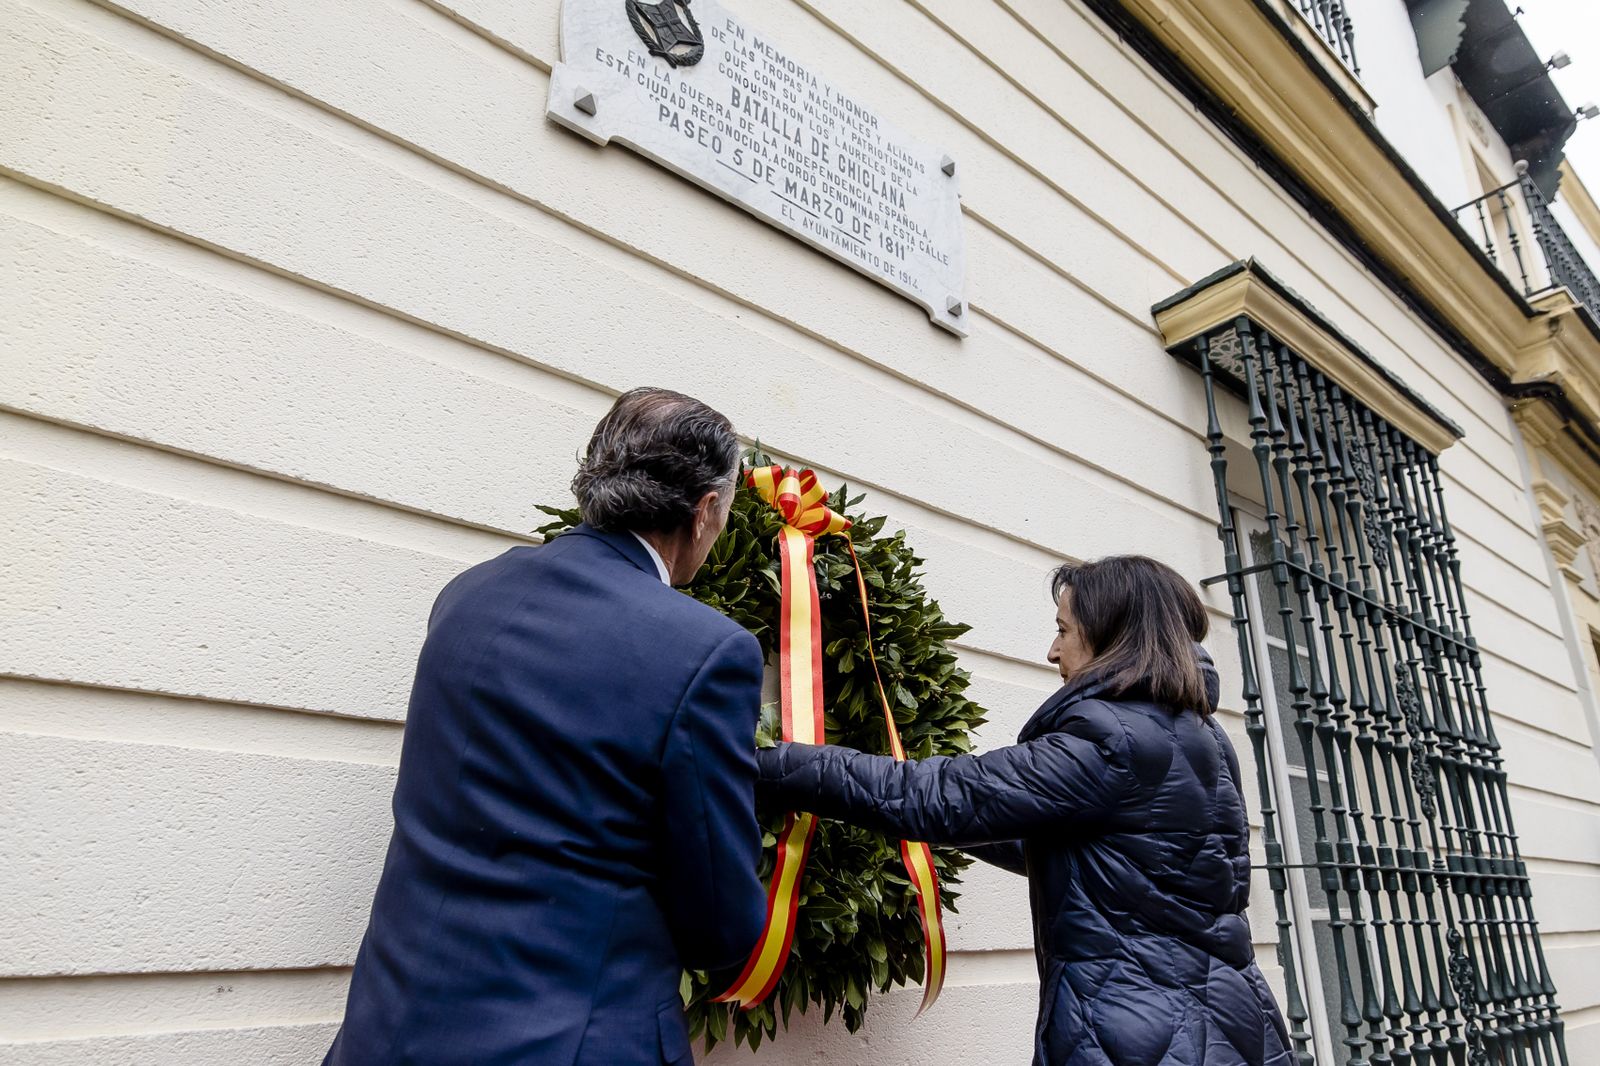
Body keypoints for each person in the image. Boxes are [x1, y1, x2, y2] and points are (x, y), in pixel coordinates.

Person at [325, 388, 767, 1066]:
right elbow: (720, 929)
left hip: (392, 1027)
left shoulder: (469, 593)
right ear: (705, 510)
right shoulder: (707, 650)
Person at [756, 555, 1293, 1066]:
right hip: (1229, 1016)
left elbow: (938, 796)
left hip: (1136, 1033)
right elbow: (1104, 856)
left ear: (1111, 638)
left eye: (1063, 630)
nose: (1052, 652)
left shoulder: (1110, 739)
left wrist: (772, 766)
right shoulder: (1202, 736)